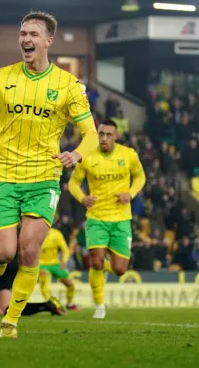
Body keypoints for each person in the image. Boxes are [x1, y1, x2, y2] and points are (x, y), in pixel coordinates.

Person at [0, 11, 98, 338]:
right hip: (3, 176)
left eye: (33, 34)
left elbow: (90, 133)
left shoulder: (68, 85)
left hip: (44, 178)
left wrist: (76, 154)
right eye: (22, 34)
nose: (26, 39)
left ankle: (11, 320)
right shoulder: (2, 77)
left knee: (29, 249)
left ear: (48, 41)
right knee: (3, 252)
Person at [68, 119, 146, 319]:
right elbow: (73, 184)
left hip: (121, 218)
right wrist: (83, 198)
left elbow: (140, 177)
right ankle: (99, 305)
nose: (104, 138)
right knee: (96, 262)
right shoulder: (87, 157)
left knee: (120, 270)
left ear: (116, 136)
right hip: (96, 217)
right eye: (101, 134)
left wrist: (130, 193)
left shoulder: (129, 155)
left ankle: (105, 269)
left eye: (108, 135)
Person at [38, 226, 78, 311]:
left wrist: (64, 261)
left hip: (55, 264)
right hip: (41, 264)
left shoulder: (56, 234)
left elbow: (65, 250)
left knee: (70, 284)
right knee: (44, 278)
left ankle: (70, 304)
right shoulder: (35, 235)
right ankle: (52, 305)